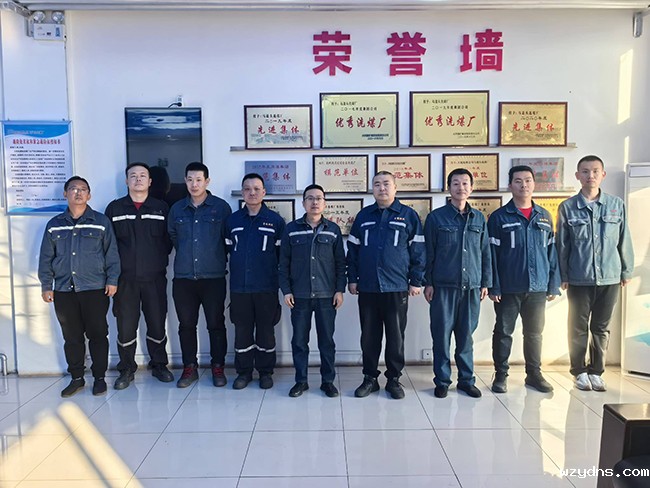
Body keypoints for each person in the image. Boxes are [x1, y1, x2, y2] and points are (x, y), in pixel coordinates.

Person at [557, 155, 634, 392]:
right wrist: (563, 275)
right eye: (585, 171)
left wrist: (626, 270)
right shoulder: (568, 207)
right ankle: (579, 371)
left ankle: (596, 371)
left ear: (603, 175)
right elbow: (562, 245)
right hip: (579, 277)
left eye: (595, 171)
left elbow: (624, 239)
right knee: (577, 327)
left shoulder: (616, 205)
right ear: (577, 175)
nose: (590, 175)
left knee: (601, 327)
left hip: (610, 276)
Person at [38, 176, 120, 397]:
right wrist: (46, 285)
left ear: (89, 195)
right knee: (72, 337)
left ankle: (100, 378)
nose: (78, 192)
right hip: (64, 290)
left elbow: (111, 253)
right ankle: (76, 378)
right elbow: (46, 257)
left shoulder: (101, 222)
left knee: (98, 334)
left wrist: (112, 280)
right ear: (65, 194)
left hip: (95, 288)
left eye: (83, 189)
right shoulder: (54, 225)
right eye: (73, 189)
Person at [347, 171, 425, 400]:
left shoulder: (408, 216)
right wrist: (352, 278)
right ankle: (369, 378)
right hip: (368, 286)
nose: (382, 188)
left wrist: (416, 280)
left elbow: (418, 251)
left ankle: (394, 379)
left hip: (397, 286)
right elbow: (353, 251)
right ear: (372, 189)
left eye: (386, 184)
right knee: (369, 336)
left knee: (395, 336)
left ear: (395, 187)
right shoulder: (363, 216)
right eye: (377, 184)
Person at [488, 165, 561, 393]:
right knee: (503, 332)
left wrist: (553, 284)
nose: (523, 185)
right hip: (508, 287)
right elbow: (492, 256)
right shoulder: (499, 217)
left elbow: (552, 253)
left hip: (538, 287)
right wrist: (494, 286)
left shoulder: (544, 216)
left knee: (534, 333)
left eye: (528, 180)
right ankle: (501, 375)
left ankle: (534, 374)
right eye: (518, 181)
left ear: (534, 184)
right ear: (510, 185)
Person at [105, 162, 174, 390]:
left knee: (156, 323)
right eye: (133, 176)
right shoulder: (115, 209)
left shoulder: (161, 208)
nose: (138, 179)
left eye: (142, 175)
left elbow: (168, 241)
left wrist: (155, 261)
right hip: (124, 280)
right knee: (126, 326)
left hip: (154, 278)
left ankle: (159, 364)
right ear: (126, 181)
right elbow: (108, 246)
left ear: (150, 181)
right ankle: (126, 369)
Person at [424, 168, 492, 399]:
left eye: (465, 183)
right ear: (448, 188)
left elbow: (485, 252)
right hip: (443, 287)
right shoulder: (436, 218)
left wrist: (485, 282)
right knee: (441, 336)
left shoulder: (479, 218)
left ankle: (466, 380)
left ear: (471, 188)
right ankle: (442, 381)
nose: (460, 187)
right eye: (455, 183)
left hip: (471, 286)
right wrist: (428, 282)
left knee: (466, 336)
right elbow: (429, 252)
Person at [168, 162, 232, 388]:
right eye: (189, 179)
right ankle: (189, 368)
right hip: (184, 278)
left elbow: (227, 240)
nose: (194, 184)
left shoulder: (221, 208)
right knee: (186, 325)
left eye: (198, 180)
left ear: (207, 181)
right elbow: (174, 237)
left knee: (216, 324)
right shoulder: (177, 209)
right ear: (185, 181)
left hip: (213, 277)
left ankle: (218, 367)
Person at [279, 184, 346, 398]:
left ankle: (328, 381)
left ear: (324, 203)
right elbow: (283, 263)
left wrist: (340, 290)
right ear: (303, 203)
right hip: (299, 295)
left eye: (319, 198)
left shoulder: (333, 230)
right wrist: (286, 290)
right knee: (299, 341)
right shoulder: (291, 229)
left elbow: (340, 263)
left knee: (327, 341)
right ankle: (301, 381)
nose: (314, 202)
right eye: (310, 198)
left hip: (327, 295)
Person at [225, 173, 285, 390]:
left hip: (266, 287)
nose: (252, 193)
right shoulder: (232, 221)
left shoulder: (276, 221)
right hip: (239, 288)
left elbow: (281, 256)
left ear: (264, 192)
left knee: (266, 332)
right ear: (242, 193)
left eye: (256, 189)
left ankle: (266, 372)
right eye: (247, 189)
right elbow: (227, 251)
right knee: (242, 331)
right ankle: (244, 372)